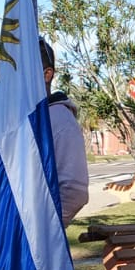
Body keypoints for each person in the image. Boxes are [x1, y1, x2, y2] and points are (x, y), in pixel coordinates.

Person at [41, 38, 89, 226]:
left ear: (47, 74)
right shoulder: (17, 117)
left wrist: (43, 232)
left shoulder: (59, 119)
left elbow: (74, 192)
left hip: (34, 243)